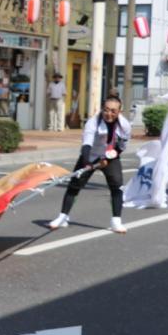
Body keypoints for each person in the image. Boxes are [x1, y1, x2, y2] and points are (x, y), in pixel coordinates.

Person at [48, 94, 131, 234]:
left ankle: (116, 220)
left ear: (119, 112)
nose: (109, 113)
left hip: (110, 155)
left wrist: (107, 159)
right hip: (91, 155)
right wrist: (86, 163)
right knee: (74, 184)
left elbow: (121, 146)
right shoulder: (93, 122)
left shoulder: (124, 125)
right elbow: (86, 144)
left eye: (113, 111)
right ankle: (63, 217)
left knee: (117, 186)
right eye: (106, 109)